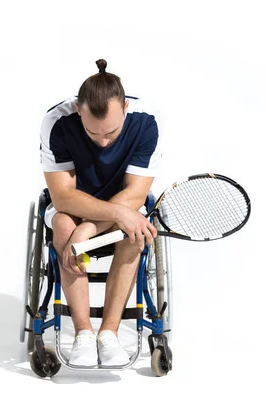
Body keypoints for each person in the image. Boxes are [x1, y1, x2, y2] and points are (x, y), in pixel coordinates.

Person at [39, 59, 163, 366]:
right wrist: (81, 227)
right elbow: (63, 195)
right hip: (74, 207)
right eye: (94, 134)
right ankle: (84, 333)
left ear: (124, 106)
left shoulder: (146, 123)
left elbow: (135, 194)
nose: (103, 141)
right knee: (64, 227)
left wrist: (90, 229)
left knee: (135, 233)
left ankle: (108, 333)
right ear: (79, 109)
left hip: (123, 206)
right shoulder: (56, 121)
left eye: (111, 132)